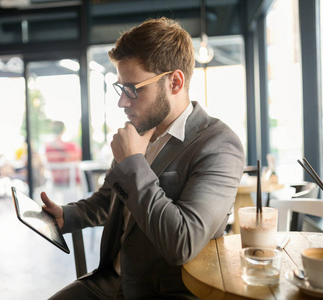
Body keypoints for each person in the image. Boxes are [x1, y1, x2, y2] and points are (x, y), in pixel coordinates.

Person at [41, 17, 245, 299]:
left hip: (162, 291)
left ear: (174, 82)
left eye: (133, 89)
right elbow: (110, 199)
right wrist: (68, 216)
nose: (122, 102)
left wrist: (133, 163)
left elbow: (182, 243)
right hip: (111, 280)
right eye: (121, 88)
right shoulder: (139, 131)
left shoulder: (218, 144)